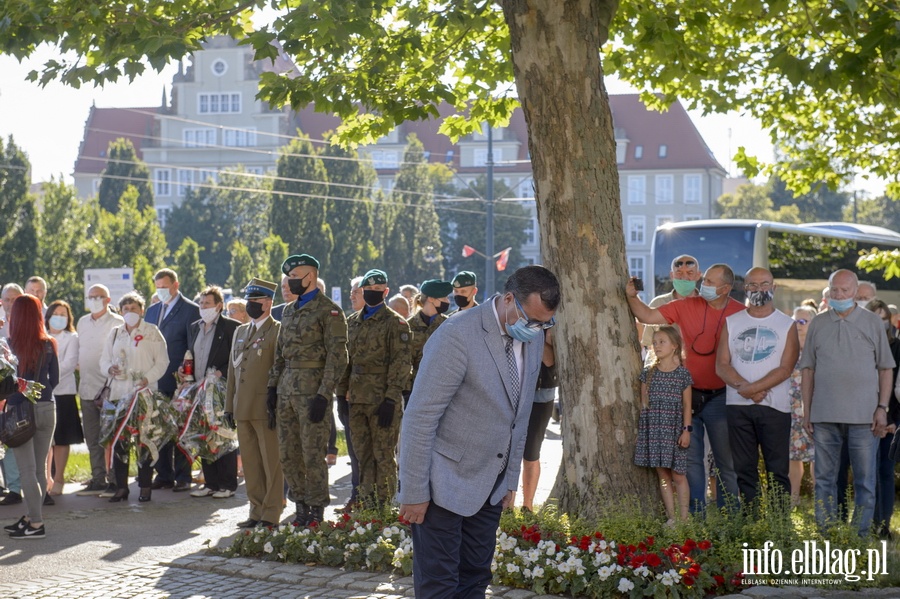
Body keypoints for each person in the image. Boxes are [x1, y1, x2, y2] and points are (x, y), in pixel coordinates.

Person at [399, 265, 560, 598]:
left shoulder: (531, 339)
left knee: (475, 578)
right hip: (442, 483)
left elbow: (520, 416)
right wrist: (413, 491)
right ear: (509, 299)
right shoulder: (458, 333)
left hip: (491, 485)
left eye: (545, 323)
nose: (536, 329)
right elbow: (420, 416)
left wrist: (509, 479)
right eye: (532, 319)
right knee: (439, 584)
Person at [626, 263, 744, 511]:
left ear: (726, 288)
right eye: (705, 280)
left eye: (711, 282)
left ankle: (731, 517)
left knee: (726, 462)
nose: (704, 285)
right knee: (690, 463)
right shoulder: (687, 305)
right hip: (688, 396)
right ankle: (695, 519)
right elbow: (646, 316)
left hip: (721, 397)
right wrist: (631, 296)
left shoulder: (740, 313)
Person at [801, 269, 895, 536]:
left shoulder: (873, 322)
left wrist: (882, 408)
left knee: (865, 481)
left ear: (855, 291)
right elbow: (807, 370)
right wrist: (807, 411)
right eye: (834, 290)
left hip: (864, 417)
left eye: (844, 290)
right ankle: (827, 534)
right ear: (828, 290)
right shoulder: (818, 323)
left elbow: (885, 369)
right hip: (824, 416)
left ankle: (859, 538)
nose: (839, 295)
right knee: (824, 480)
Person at [268, 255, 348, 526]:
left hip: (313, 392)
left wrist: (325, 394)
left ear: (309, 277)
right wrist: (271, 388)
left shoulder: (329, 310)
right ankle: (300, 505)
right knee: (288, 452)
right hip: (286, 391)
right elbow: (280, 354)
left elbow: (337, 356)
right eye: (288, 277)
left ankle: (316, 509)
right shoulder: (289, 311)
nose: (290, 283)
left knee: (313, 453)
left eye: (294, 277)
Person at [715, 267, 799, 508]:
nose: (758, 289)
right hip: (738, 407)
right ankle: (752, 521)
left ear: (774, 287)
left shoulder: (786, 324)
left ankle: (779, 526)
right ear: (745, 288)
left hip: (775, 408)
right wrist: (746, 388)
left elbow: (785, 368)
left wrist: (754, 389)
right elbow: (721, 365)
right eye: (753, 284)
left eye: (764, 284)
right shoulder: (732, 322)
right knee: (744, 469)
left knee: (777, 471)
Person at [337, 268, 410, 508]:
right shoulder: (352, 322)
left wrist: (391, 398)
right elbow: (345, 361)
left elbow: (401, 363)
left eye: (378, 291)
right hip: (356, 399)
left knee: (383, 455)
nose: (372, 294)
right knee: (362, 455)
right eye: (368, 290)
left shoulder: (395, 323)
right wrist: (340, 394)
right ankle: (366, 504)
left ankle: (386, 505)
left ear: (386, 292)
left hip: (382, 400)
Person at [225, 278, 284, 528]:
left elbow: (280, 369)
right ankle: (255, 510)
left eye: (255, 301)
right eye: (248, 301)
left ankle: (271, 513)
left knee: (271, 462)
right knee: (250, 462)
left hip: (265, 408)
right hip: (242, 407)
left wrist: (277, 402)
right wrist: (229, 405)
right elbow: (232, 373)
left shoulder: (277, 330)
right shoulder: (240, 331)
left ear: (268, 303)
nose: (250, 305)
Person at [100, 292, 169, 503]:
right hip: (119, 395)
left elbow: (163, 361)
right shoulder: (114, 333)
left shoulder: (152, 332)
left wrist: (147, 379)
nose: (130, 313)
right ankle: (121, 487)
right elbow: (103, 360)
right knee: (120, 441)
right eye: (126, 309)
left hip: (144, 394)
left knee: (145, 441)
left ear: (142, 310)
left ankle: (145, 486)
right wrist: (108, 369)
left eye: (134, 309)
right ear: (120, 312)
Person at [3, 294, 59, 539]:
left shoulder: (9, 345)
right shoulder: (49, 343)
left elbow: (4, 385)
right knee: (37, 469)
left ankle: (36, 524)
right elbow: (54, 380)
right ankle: (30, 516)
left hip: (20, 412)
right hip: (47, 408)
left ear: (15, 316)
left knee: (27, 470)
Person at [144, 268, 200, 492]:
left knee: (181, 429)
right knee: (159, 429)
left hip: (179, 381)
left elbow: (192, 346)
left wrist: (187, 377)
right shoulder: (152, 310)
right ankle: (164, 474)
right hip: (154, 381)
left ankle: (184, 476)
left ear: (176, 285)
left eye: (164, 287)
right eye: (157, 287)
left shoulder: (190, 310)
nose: (161, 291)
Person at [634, 325, 692, 524]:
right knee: (663, 474)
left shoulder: (682, 374)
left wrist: (686, 430)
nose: (657, 345)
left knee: (679, 474)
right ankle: (672, 518)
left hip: (675, 429)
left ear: (674, 346)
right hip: (656, 429)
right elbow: (644, 403)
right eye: (655, 342)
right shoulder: (648, 373)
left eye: (662, 342)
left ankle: (684, 519)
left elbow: (687, 405)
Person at [185, 286, 240, 498]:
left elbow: (237, 359)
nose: (202, 307)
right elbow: (190, 354)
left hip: (220, 390)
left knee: (223, 436)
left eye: (207, 303)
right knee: (205, 435)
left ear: (219, 305)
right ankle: (210, 483)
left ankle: (227, 484)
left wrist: (221, 373)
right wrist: (185, 370)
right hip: (199, 390)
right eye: (200, 303)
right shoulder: (194, 327)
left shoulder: (231, 327)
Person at [75, 284, 125, 497]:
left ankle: (115, 480)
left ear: (107, 299)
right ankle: (98, 478)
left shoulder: (118, 322)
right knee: (92, 437)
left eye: (99, 296)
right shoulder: (83, 322)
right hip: (86, 389)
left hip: (110, 391)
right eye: (91, 296)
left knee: (111, 438)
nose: (95, 299)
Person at [868, 299, 900, 537]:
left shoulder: (898, 347)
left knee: (884, 472)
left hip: (891, 422)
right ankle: (861, 523)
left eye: (884, 320)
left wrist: (892, 422)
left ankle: (882, 525)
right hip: (861, 421)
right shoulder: (859, 347)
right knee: (863, 474)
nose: (880, 325)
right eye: (875, 319)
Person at [45, 300, 81, 496]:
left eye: (63, 314)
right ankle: (46, 479)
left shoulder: (71, 337)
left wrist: (48, 379)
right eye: (55, 313)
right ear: (48, 316)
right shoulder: (41, 335)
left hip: (62, 392)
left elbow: (68, 364)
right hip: (42, 394)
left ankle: (59, 478)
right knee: (45, 440)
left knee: (61, 439)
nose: (59, 317)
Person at [521, 327, 558, 512]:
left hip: (541, 396)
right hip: (516, 393)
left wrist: (538, 333)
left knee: (531, 453)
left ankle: (527, 506)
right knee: (508, 452)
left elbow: (549, 360)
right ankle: (507, 508)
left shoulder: (550, 324)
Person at [640, 255, 701, 364]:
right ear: (672, 275)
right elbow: (649, 344)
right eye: (679, 273)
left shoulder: (706, 305)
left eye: (690, 273)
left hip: (697, 370)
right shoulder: (658, 303)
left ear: (698, 275)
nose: (684, 277)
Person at [405, 279, 452, 404]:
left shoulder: (449, 325)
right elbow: (403, 361)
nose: (448, 301)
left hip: (442, 390)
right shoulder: (408, 326)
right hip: (414, 390)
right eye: (445, 297)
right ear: (431, 299)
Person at [788, 305, 817, 505]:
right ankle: (794, 499)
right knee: (792, 456)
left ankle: (819, 500)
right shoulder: (787, 349)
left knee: (818, 457)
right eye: (795, 321)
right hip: (790, 408)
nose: (798, 325)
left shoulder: (818, 349)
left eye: (803, 321)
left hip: (814, 408)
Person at [0, 283, 24, 506]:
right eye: (6, 299)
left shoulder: (25, 326)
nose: (9, 304)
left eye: (15, 300)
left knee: (11, 442)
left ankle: (15, 488)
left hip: (14, 395)